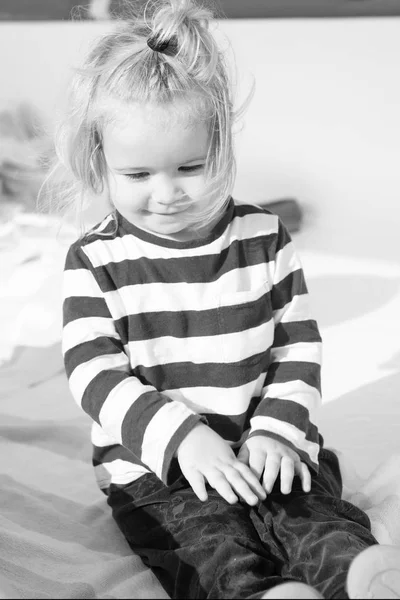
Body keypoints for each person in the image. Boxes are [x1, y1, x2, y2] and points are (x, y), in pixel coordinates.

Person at [57, 0, 400, 598]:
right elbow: (93, 373)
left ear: (221, 144)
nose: (167, 194)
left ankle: (361, 579)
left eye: (190, 166)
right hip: (161, 468)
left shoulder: (263, 237)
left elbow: (297, 346)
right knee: (208, 545)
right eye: (137, 175)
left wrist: (277, 431)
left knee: (315, 519)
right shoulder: (96, 260)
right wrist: (183, 436)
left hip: (269, 444)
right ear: (100, 162)